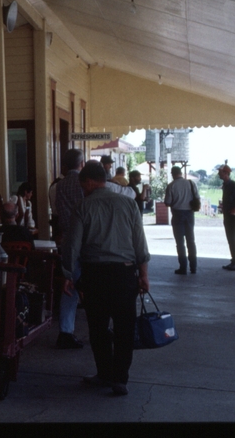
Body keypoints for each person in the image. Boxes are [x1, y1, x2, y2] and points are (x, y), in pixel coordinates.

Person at [62, 161, 150, 396]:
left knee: (98, 328)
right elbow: (140, 242)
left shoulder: (83, 206)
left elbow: (73, 246)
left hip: (95, 276)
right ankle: (120, 379)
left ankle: (104, 373)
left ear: (90, 182)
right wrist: (143, 274)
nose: (82, 189)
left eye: (83, 185)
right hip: (124, 274)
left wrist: (68, 275)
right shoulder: (129, 204)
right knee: (124, 327)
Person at [53, 149, 86, 349]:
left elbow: (57, 212)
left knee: (69, 285)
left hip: (66, 238)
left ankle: (65, 331)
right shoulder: (84, 183)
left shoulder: (59, 186)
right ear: (81, 163)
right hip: (86, 240)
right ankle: (100, 328)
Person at [164, 166, 199, 275]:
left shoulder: (171, 186)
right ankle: (193, 267)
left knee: (180, 243)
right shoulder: (191, 184)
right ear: (181, 173)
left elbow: (167, 202)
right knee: (191, 241)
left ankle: (183, 268)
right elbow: (197, 197)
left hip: (177, 214)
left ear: (172, 174)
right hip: (189, 214)